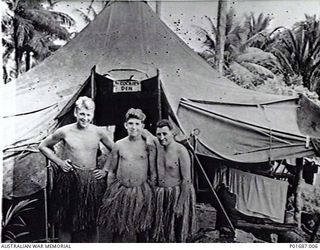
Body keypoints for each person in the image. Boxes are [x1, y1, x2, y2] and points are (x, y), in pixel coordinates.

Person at [38, 96, 114, 243]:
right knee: (65, 222)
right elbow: (43, 146)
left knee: (92, 222)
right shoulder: (64, 131)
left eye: (88, 114)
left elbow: (116, 150)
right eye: (82, 114)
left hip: (91, 182)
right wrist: (59, 162)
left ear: (93, 114)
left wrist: (105, 170)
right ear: (75, 113)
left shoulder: (99, 132)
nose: (85, 118)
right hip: (69, 179)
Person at [97, 108, 157, 242]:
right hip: (120, 191)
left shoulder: (148, 146)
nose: (133, 127)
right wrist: (109, 193)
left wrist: (150, 195)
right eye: (131, 123)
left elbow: (152, 173)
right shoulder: (119, 145)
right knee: (118, 229)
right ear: (125, 125)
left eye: (137, 124)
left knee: (141, 230)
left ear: (142, 126)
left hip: (141, 191)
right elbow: (112, 171)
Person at [152, 119, 196, 242]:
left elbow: (187, 180)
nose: (161, 137)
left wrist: (180, 205)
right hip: (161, 196)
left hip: (176, 196)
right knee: (161, 233)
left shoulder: (181, 151)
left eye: (164, 134)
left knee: (176, 234)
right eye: (158, 134)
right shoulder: (158, 148)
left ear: (173, 132)